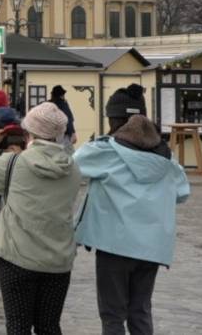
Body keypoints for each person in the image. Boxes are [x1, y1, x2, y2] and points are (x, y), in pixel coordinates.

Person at [0, 103, 81, 335]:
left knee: (18, 326)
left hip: (18, 257)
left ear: (28, 133)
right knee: (49, 326)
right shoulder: (72, 168)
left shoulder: (15, 163)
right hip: (58, 260)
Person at [75, 116, 189, 335]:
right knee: (140, 310)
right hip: (151, 248)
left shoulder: (107, 153)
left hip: (113, 245)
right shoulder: (167, 162)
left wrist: (102, 140)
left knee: (112, 314)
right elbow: (183, 193)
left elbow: (76, 162)